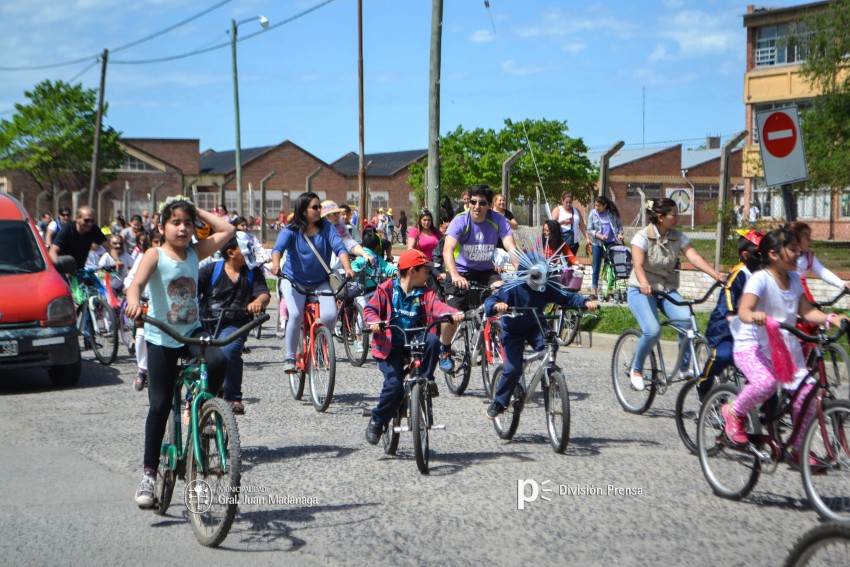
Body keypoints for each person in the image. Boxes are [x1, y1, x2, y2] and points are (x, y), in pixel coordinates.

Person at [124, 195, 236, 509]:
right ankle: (148, 474)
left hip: (192, 332)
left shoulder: (194, 253)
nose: (183, 228)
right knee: (159, 405)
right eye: (176, 222)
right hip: (162, 337)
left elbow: (226, 229)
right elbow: (135, 285)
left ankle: (205, 413)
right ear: (162, 226)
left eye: (188, 223)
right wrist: (134, 300)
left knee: (219, 359)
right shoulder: (154, 255)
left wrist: (192, 207)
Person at [724, 228, 850, 465]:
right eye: (792, 249)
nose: (798, 254)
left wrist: (831, 318)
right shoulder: (760, 278)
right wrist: (755, 316)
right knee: (766, 383)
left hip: (784, 345)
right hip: (752, 345)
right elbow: (743, 310)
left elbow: (806, 311)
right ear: (773, 254)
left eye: (799, 250)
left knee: (808, 393)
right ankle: (734, 412)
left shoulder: (793, 279)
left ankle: (798, 450)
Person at [363, 249, 464, 444]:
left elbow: (437, 307)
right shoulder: (386, 289)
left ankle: (426, 380)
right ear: (411, 271)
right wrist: (374, 321)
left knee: (433, 339)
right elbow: (370, 309)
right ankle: (377, 420)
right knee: (394, 386)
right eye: (425, 270)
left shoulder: (426, 292)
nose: (428, 273)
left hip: (415, 342)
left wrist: (453, 313)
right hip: (389, 346)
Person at [484, 248, 598, 418]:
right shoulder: (512, 288)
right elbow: (491, 301)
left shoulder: (545, 288)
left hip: (536, 326)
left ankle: (550, 376)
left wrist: (585, 302)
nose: (538, 280)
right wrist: (496, 306)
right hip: (513, 331)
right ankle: (499, 402)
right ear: (525, 272)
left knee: (551, 345)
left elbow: (566, 297)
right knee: (513, 369)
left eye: (540, 274)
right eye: (535, 275)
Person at [627, 198, 725, 391]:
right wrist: (645, 283)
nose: (677, 218)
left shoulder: (678, 236)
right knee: (652, 331)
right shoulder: (642, 237)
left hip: (666, 290)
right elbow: (637, 265)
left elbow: (694, 257)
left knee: (687, 321)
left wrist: (716, 275)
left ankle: (683, 368)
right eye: (674, 214)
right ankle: (636, 369)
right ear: (661, 217)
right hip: (641, 290)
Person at [270, 192, 354, 373]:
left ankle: (320, 346)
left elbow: (339, 247)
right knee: (294, 314)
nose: (319, 210)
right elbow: (278, 249)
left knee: (331, 315)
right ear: (303, 210)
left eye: (319, 207)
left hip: (320, 281)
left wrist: (348, 268)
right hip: (294, 281)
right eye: (315, 207)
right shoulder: (291, 230)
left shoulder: (327, 228)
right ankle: (291, 357)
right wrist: (276, 265)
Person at [441, 184, 518, 372]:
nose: (476, 206)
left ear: (489, 205)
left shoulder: (498, 220)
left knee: (503, 293)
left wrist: (522, 272)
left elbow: (512, 249)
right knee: (454, 315)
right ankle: (445, 350)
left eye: (482, 203)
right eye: (473, 201)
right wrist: (455, 275)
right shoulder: (460, 220)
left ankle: (496, 333)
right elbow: (447, 249)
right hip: (460, 271)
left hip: (486, 271)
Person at [198, 233, 270, 415]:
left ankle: (233, 397)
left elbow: (264, 293)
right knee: (198, 359)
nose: (251, 252)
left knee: (229, 350)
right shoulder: (211, 270)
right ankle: (194, 398)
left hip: (235, 324)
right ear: (231, 252)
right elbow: (190, 290)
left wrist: (259, 302)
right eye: (245, 249)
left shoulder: (252, 273)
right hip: (207, 323)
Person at [697, 230, 763, 401]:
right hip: (726, 326)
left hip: (753, 327)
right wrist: (730, 314)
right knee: (724, 355)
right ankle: (703, 382)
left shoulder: (765, 274)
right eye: (759, 252)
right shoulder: (740, 273)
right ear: (746, 255)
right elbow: (728, 292)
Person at [125, 229, 162, 391]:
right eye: (155, 242)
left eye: (162, 241)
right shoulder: (143, 258)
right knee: (141, 335)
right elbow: (131, 280)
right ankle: (142, 370)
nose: (159, 245)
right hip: (146, 304)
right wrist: (133, 298)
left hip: (166, 305)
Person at [787, 221, 850, 301]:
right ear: (796, 240)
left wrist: (841, 283)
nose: (810, 241)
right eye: (807, 238)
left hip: (802, 296)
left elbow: (822, 271)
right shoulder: (783, 258)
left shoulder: (808, 257)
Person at [587, 195, 625, 299]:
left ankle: (611, 289)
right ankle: (594, 292)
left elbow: (619, 226)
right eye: (595, 205)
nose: (596, 207)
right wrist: (600, 236)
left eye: (599, 206)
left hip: (611, 243)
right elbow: (589, 230)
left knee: (611, 267)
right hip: (598, 244)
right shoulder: (593, 214)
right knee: (596, 267)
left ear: (605, 206)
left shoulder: (611, 214)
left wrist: (620, 234)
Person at [49, 206, 108, 271]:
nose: (90, 224)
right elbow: (52, 251)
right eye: (87, 220)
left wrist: (117, 260)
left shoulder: (93, 229)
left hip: (79, 270)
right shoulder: (67, 229)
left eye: (92, 221)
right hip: (64, 269)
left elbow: (109, 247)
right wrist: (61, 267)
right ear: (77, 218)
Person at [550, 191, 587, 257]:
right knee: (565, 263)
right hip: (562, 242)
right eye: (566, 202)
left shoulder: (576, 211)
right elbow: (551, 226)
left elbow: (582, 225)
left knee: (571, 262)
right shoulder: (557, 210)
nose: (568, 204)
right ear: (562, 201)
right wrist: (562, 222)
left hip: (574, 242)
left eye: (570, 202)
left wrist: (587, 238)